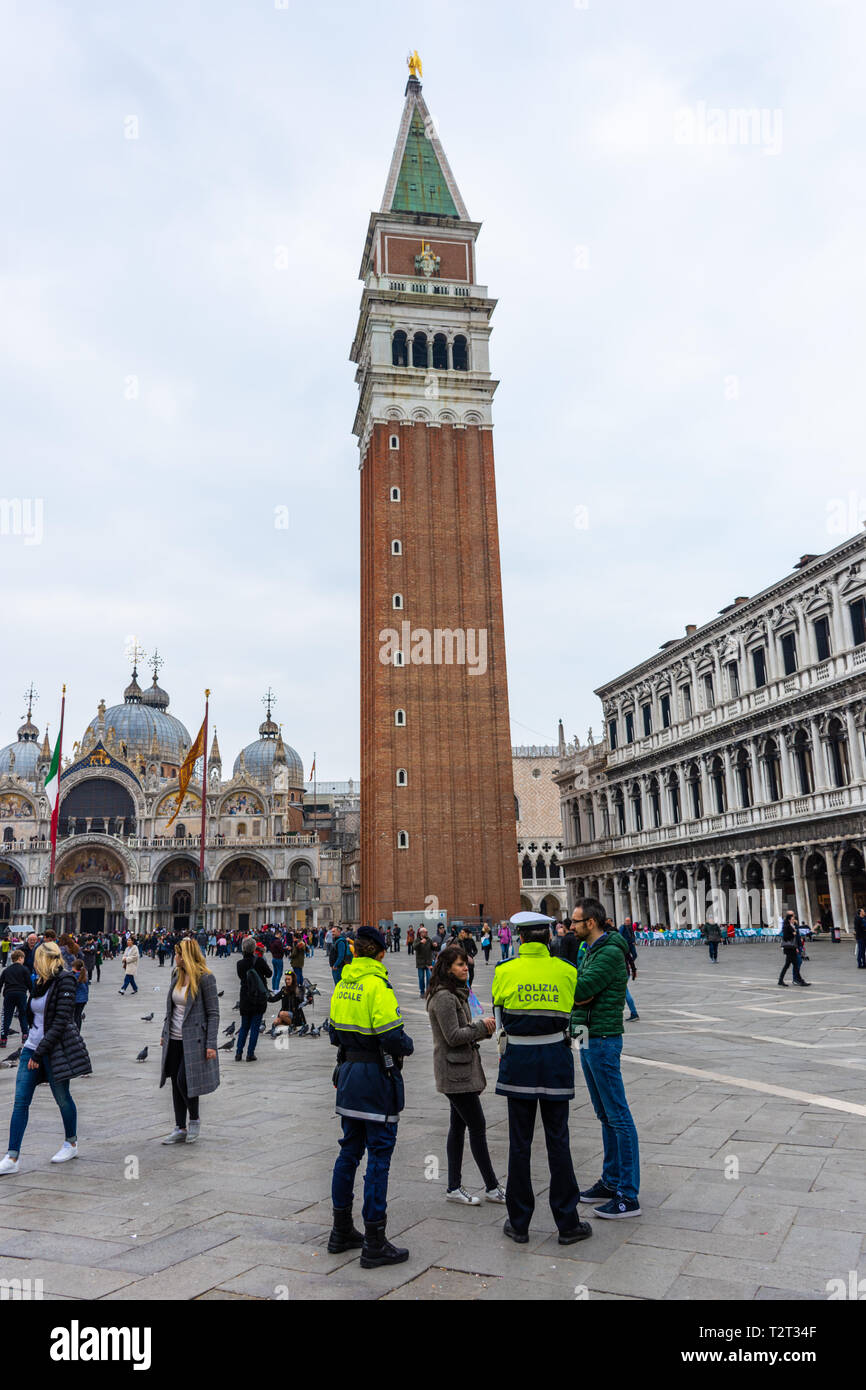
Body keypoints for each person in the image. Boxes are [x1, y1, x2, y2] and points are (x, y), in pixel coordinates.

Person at [492, 911, 591, 1245]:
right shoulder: (567, 971)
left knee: (520, 1144)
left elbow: (499, 1015)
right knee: (558, 1141)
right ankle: (568, 1223)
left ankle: (518, 1223)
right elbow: (577, 1019)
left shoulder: (504, 971)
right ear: (548, 938)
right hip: (555, 1062)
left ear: (520, 939)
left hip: (517, 1062)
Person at [326, 925, 414, 1268]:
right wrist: (408, 1045)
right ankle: (374, 1241)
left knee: (348, 1151)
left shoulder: (343, 984)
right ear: (380, 952)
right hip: (377, 1079)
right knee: (379, 1156)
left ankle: (341, 1230)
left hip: (348, 1077)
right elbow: (393, 1036)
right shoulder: (378, 986)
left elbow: (334, 1033)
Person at [571, 898, 641, 1218]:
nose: (571, 926)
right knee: (604, 1114)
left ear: (591, 923)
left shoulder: (610, 951)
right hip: (587, 1036)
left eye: (575, 921)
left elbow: (581, 990)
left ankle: (628, 1194)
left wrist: (565, 981)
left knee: (618, 1115)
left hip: (602, 1038)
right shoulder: (591, 950)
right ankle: (611, 1181)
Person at [0, 941, 91, 1174]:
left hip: (54, 1049)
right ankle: (12, 1157)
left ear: (46, 959)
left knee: (62, 1097)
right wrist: (32, 1045)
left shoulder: (66, 980)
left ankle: (71, 1142)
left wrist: (39, 1053)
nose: (32, 963)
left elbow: (61, 1021)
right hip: (32, 1047)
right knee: (20, 1101)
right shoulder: (38, 982)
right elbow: (33, 1016)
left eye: (37, 958)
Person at [426, 945, 505, 1206]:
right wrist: (481, 1028)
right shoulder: (445, 998)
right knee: (478, 1126)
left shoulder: (455, 993)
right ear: (448, 968)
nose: (465, 968)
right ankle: (492, 1187)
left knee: (458, 1127)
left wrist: (478, 1028)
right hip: (454, 1071)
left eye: (466, 964)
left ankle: (453, 1188)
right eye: (460, 965)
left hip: (459, 1068)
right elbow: (453, 1036)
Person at [159, 937, 220, 1143]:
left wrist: (211, 1044)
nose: (174, 957)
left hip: (195, 1039)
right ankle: (180, 1127)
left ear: (185, 956)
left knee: (184, 1079)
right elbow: (171, 1008)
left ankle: (194, 1120)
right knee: (175, 1083)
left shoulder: (205, 978)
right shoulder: (176, 974)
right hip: (174, 1037)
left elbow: (213, 1013)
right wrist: (163, 1032)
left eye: (177, 954)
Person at [235, 937, 271, 1060]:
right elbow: (270, 974)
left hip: (245, 998)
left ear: (243, 949)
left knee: (244, 1026)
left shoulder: (239, 964)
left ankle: (238, 1053)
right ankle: (250, 1054)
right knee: (255, 1027)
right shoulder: (260, 961)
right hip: (258, 999)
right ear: (254, 948)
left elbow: (241, 977)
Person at [0, 950, 30, 1046]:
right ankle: (25, 1035)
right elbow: (30, 984)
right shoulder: (25, 969)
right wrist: (32, 994)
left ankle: (3, 1038)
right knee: (23, 1014)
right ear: (20, 958)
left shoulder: (6, 970)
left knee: (7, 1016)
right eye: (23, 958)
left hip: (9, 994)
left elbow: (0, 984)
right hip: (21, 994)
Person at [778, 912, 810, 987]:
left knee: (788, 965)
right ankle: (799, 980)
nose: (794, 920)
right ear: (789, 919)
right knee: (795, 964)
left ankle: (781, 980)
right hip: (789, 948)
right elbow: (785, 937)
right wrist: (793, 934)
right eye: (792, 918)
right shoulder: (787, 926)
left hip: (792, 948)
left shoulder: (792, 925)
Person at [414, 926, 434, 997]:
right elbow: (414, 947)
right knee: (421, 978)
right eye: (425, 932)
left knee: (429, 978)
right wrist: (420, 942)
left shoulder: (429, 940)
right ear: (421, 933)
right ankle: (422, 992)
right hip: (420, 962)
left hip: (428, 962)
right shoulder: (417, 940)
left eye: (426, 932)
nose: (426, 933)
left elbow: (433, 948)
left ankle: (427, 992)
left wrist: (434, 945)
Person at [71, 957, 89, 1032]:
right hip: (83, 999)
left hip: (77, 999)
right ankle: (78, 1029)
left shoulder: (75, 976)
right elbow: (87, 988)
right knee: (78, 1015)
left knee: (75, 1016)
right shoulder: (84, 975)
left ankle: (76, 1030)